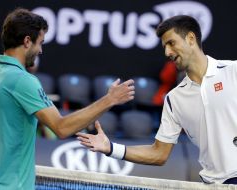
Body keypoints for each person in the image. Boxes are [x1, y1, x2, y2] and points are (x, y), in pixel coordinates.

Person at [0, 8, 135, 189]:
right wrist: (109, 100)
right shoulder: (23, 80)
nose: (40, 50)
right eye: (40, 43)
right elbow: (62, 128)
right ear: (27, 41)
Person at [77, 15, 237, 185]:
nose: (167, 52)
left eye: (171, 43)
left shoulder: (233, 72)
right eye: (165, 47)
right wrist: (111, 148)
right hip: (214, 185)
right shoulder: (174, 99)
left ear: (191, 39)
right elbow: (159, 154)